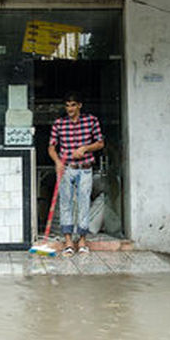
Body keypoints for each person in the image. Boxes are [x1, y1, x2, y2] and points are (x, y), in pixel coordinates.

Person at [48, 91, 104, 257]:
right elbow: (51, 147)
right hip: (67, 168)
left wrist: (85, 148)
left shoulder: (91, 121)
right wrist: (58, 162)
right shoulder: (59, 123)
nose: (70, 108)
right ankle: (68, 241)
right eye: (67, 105)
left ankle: (82, 240)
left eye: (73, 105)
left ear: (79, 105)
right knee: (66, 203)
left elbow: (100, 143)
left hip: (85, 168)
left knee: (83, 203)